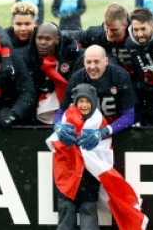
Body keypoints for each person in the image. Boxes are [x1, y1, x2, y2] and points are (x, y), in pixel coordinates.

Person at [50, 84, 102, 230]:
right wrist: (59, 130)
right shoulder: (64, 121)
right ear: (75, 102)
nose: (84, 105)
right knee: (66, 219)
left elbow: (105, 151)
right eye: (81, 101)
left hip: (89, 180)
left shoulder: (100, 122)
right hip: (66, 179)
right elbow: (55, 147)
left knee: (89, 221)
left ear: (93, 102)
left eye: (87, 101)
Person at [56, 45, 136, 135]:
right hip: (85, 132)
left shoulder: (120, 76)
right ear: (84, 62)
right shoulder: (77, 78)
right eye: (88, 62)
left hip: (115, 131)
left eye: (97, 62)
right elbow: (61, 111)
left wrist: (106, 131)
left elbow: (129, 116)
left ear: (106, 61)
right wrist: (59, 127)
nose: (92, 67)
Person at [19, 22, 81, 124]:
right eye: (39, 38)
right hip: (36, 114)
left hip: (67, 111)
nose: (42, 43)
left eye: (47, 39)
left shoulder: (70, 54)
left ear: (57, 39)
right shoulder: (27, 58)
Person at [66, 3, 133, 73]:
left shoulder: (136, 37)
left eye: (114, 30)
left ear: (125, 25)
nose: (109, 34)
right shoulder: (96, 34)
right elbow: (71, 35)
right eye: (107, 28)